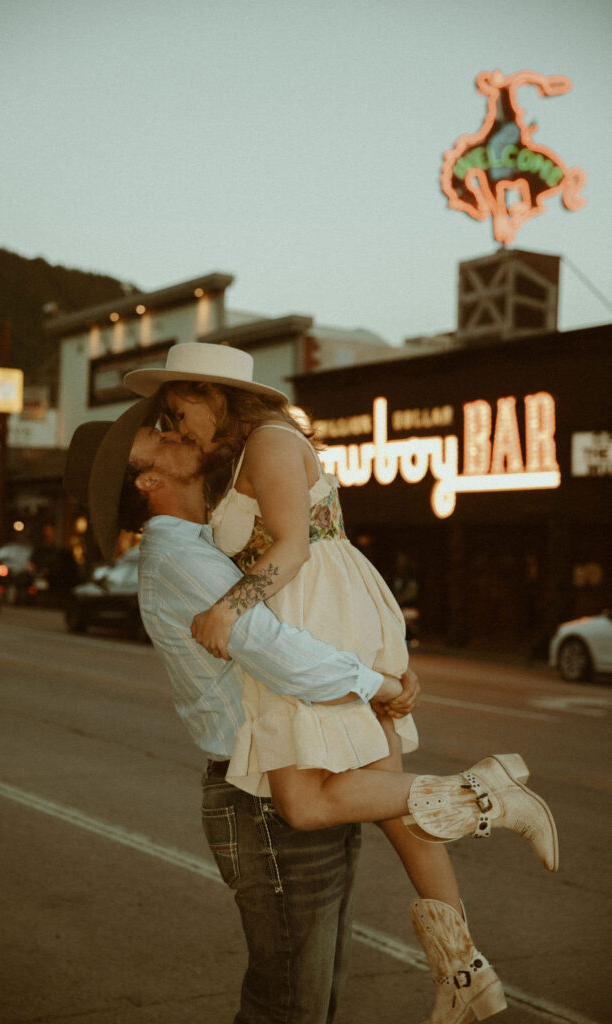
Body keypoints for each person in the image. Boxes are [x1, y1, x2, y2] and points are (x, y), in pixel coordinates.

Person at [125, 342, 559, 1024]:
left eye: (180, 412)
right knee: (385, 802)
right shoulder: (235, 462)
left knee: (303, 801)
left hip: (316, 609)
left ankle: (482, 795)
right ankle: (461, 971)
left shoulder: (269, 440)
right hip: (321, 613)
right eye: (167, 419)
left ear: (221, 399)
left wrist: (230, 607)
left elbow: (293, 547)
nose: (176, 428)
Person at [64, 397, 418, 1024]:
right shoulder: (178, 557)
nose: (170, 432)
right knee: (288, 1005)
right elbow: (273, 650)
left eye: (167, 421)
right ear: (148, 481)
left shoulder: (215, 535)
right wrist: (379, 685)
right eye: (156, 434)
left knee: (317, 994)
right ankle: (478, 793)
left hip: (298, 776)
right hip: (261, 801)